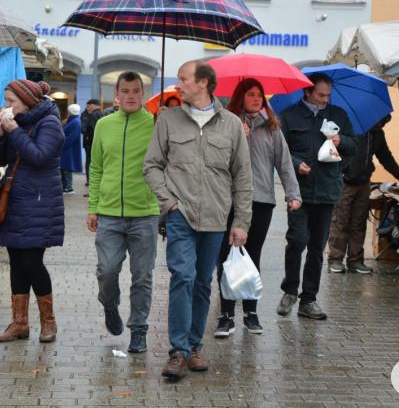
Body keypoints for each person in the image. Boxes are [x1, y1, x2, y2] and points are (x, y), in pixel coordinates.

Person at [143, 60, 252, 381]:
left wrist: (241, 221)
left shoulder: (231, 124)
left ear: (203, 83)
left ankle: (193, 346)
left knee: (204, 282)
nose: (178, 84)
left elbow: (243, 177)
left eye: (184, 79)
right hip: (181, 216)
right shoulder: (168, 120)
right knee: (183, 277)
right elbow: (151, 166)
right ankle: (178, 350)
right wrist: (169, 203)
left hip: (217, 218)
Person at [214, 79, 302, 337]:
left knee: (251, 257)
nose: (256, 99)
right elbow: (213, 159)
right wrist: (234, 136)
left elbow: (284, 162)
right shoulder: (225, 124)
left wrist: (292, 194)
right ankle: (226, 315)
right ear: (240, 97)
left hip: (261, 199)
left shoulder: (272, 128)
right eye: (250, 95)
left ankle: (250, 314)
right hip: (228, 200)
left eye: (259, 96)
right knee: (226, 258)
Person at [88, 71, 160, 354]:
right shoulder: (104, 125)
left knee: (142, 276)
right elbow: (95, 168)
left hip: (145, 213)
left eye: (136, 91)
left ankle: (139, 330)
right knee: (106, 271)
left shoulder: (156, 123)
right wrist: (93, 207)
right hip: (109, 214)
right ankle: (109, 305)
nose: (130, 96)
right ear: (116, 95)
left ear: (143, 94)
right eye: (125, 91)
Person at [276, 73, 357, 320]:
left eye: (328, 95)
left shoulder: (338, 115)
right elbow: (280, 152)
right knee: (297, 240)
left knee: (316, 248)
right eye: (320, 95)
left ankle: (308, 300)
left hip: (326, 191)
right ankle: (290, 289)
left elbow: (354, 147)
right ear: (307, 92)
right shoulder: (289, 116)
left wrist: (341, 140)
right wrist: (297, 163)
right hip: (298, 190)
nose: (324, 100)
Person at [0, 79, 65, 344]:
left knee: (32, 261)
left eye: (11, 101)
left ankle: (49, 322)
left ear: (27, 101)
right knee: (15, 261)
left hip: (40, 201)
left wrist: (12, 131)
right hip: (15, 200)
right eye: (6, 101)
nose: (7, 106)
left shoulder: (49, 123)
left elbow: (39, 156)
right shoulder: (18, 122)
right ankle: (19, 323)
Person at [327, 114, 399, 274]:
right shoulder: (351, 129)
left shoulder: (377, 134)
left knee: (359, 223)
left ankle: (355, 261)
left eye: (384, 123)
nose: (382, 126)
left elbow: (385, 157)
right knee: (340, 222)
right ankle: (335, 259)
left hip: (364, 183)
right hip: (344, 182)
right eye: (380, 123)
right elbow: (332, 149)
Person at [59, 103, 82, 194]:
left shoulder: (75, 121)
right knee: (64, 168)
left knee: (67, 168)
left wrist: (62, 144)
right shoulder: (74, 120)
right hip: (68, 149)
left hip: (68, 149)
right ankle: (66, 187)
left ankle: (68, 188)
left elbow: (72, 136)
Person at [81, 98, 102, 189]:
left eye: (89, 106)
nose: (87, 108)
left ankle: (91, 181)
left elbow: (90, 130)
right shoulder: (100, 114)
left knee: (90, 162)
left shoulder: (94, 115)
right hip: (95, 143)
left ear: (94, 105)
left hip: (91, 143)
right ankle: (92, 181)